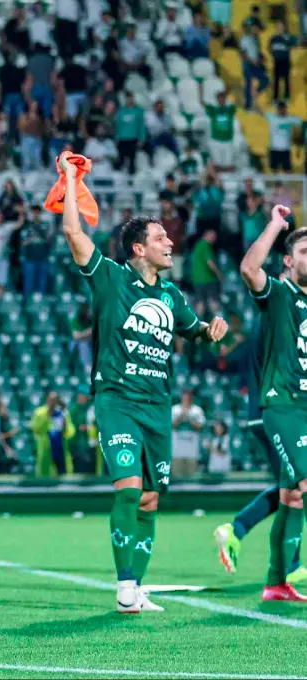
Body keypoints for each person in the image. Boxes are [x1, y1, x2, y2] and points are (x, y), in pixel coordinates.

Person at [58, 150, 228, 614]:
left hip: (158, 405)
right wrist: (71, 181)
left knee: (151, 500)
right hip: (117, 398)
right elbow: (74, 233)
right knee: (129, 489)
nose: (170, 243)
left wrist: (212, 331)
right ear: (139, 249)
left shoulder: (172, 294)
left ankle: (137, 587)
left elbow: (196, 331)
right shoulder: (111, 278)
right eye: (160, 238)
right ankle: (125, 584)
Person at [213, 265, 307, 583]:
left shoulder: (276, 316)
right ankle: (240, 532)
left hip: (268, 410)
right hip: (276, 411)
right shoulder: (280, 310)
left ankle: (286, 564)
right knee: (294, 486)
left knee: (292, 486)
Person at [238, 205, 307, 601]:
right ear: (287, 261)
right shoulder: (280, 294)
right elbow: (250, 269)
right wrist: (276, 225)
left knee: (291, 496)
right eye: (303, 252)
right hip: (283, 406)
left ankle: (275, 582)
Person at [31, 391, 75, 477]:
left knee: (63, 475)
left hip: (60, 448)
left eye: (55, 400)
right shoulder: (39, 413)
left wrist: (65, 425)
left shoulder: (63, 413)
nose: (52, 402)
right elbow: (36, 429)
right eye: (51, 400)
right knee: (45, 476)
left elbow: (71, 431)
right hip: (46, 449)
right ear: (47, 400)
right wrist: (47, 416)